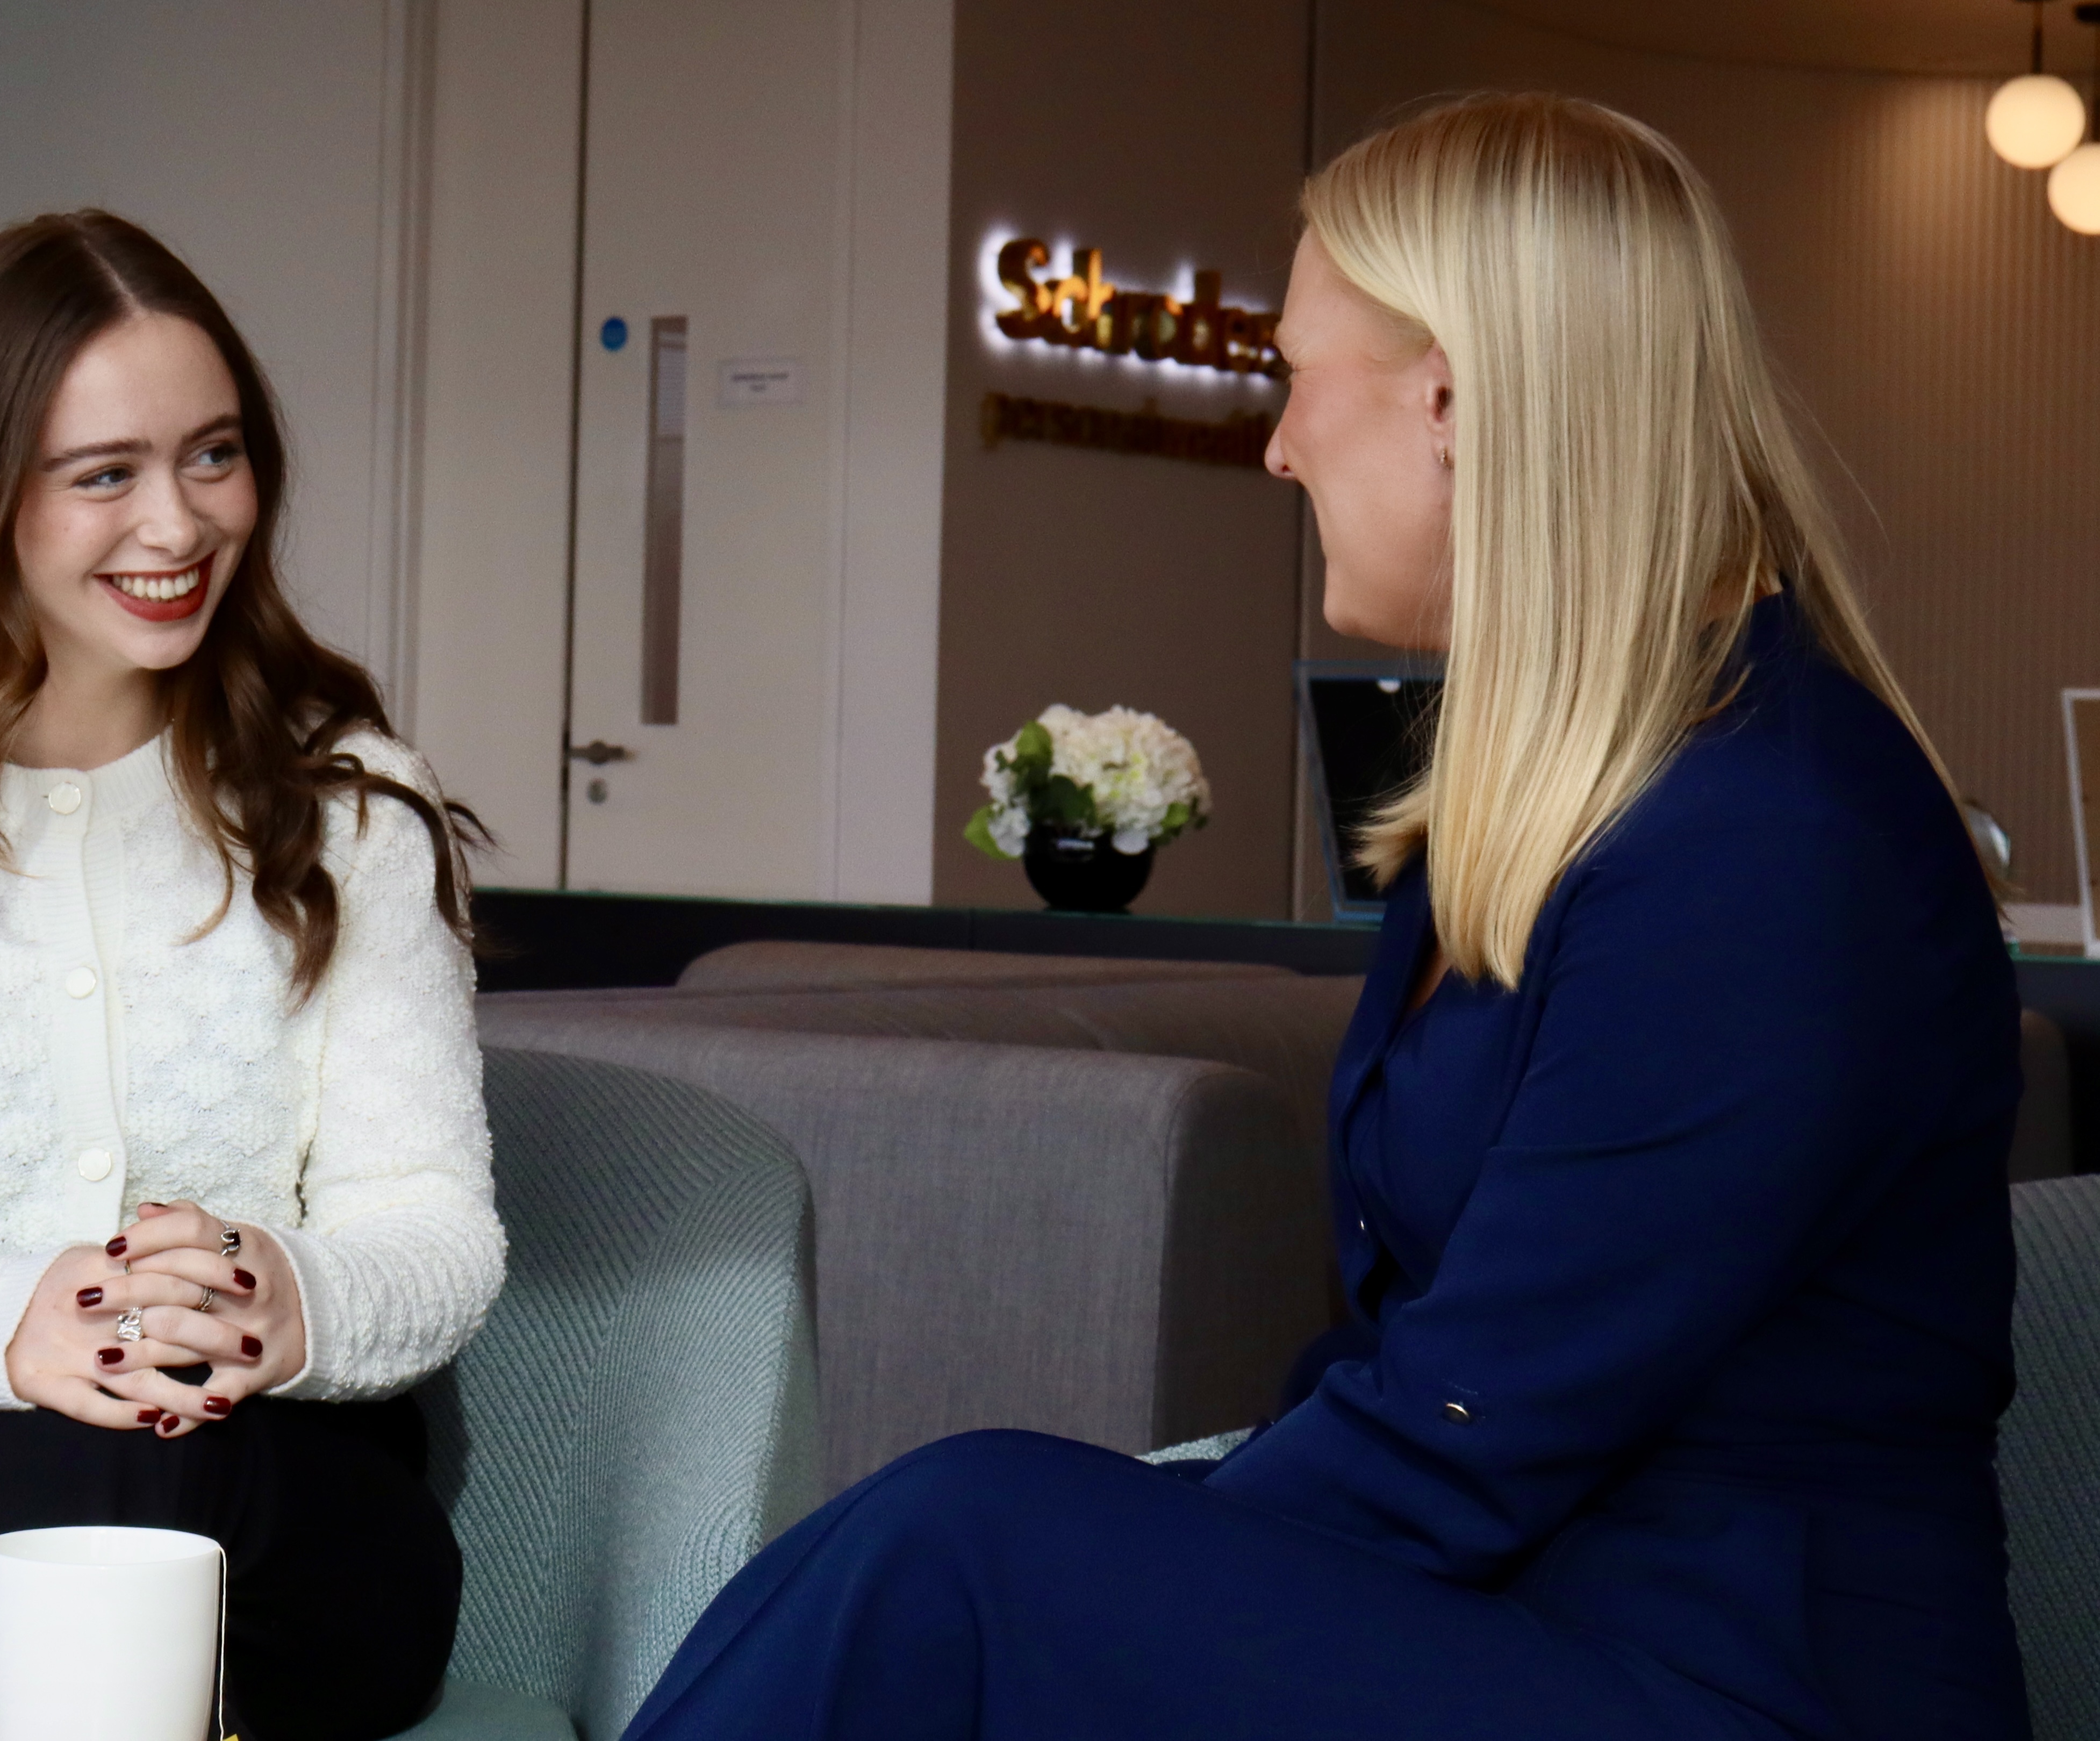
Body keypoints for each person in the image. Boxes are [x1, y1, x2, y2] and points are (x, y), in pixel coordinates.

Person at [621, 94, 2029, 1741]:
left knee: (963, 1543)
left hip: (1729, 1676)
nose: (1276, 445)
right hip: (1517, 1610)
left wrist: (1138, 1553)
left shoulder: (1767, 836)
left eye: (1294, 376)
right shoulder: (1552, 797)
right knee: (936, 1536)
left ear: (1450, 402)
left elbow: (1478, 1422)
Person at [0, 211, 504, 1741]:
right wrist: (19, 1326)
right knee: (70, 1477)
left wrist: (277, 1296)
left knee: (140, 1451)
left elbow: (436, 1230)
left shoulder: (349, 808)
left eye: (214, 455)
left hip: (275, 1495)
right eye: (104, 475)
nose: (180, 525)